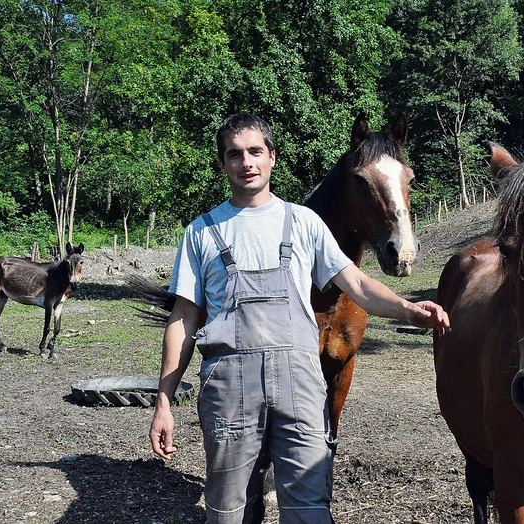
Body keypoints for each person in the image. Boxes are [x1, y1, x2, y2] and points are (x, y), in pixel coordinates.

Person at [149, 113, 450, 524]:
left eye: (255, 151)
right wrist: (164, 400)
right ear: (222, 165)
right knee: (228, 512)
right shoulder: (200, 233)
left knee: (309, 509)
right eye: (234, 155)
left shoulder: (304, 223)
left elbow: (357, 285)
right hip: (229, 394)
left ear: (272, 157)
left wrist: (408, 308)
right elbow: (183, 320)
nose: (246, 162)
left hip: (301, 390)